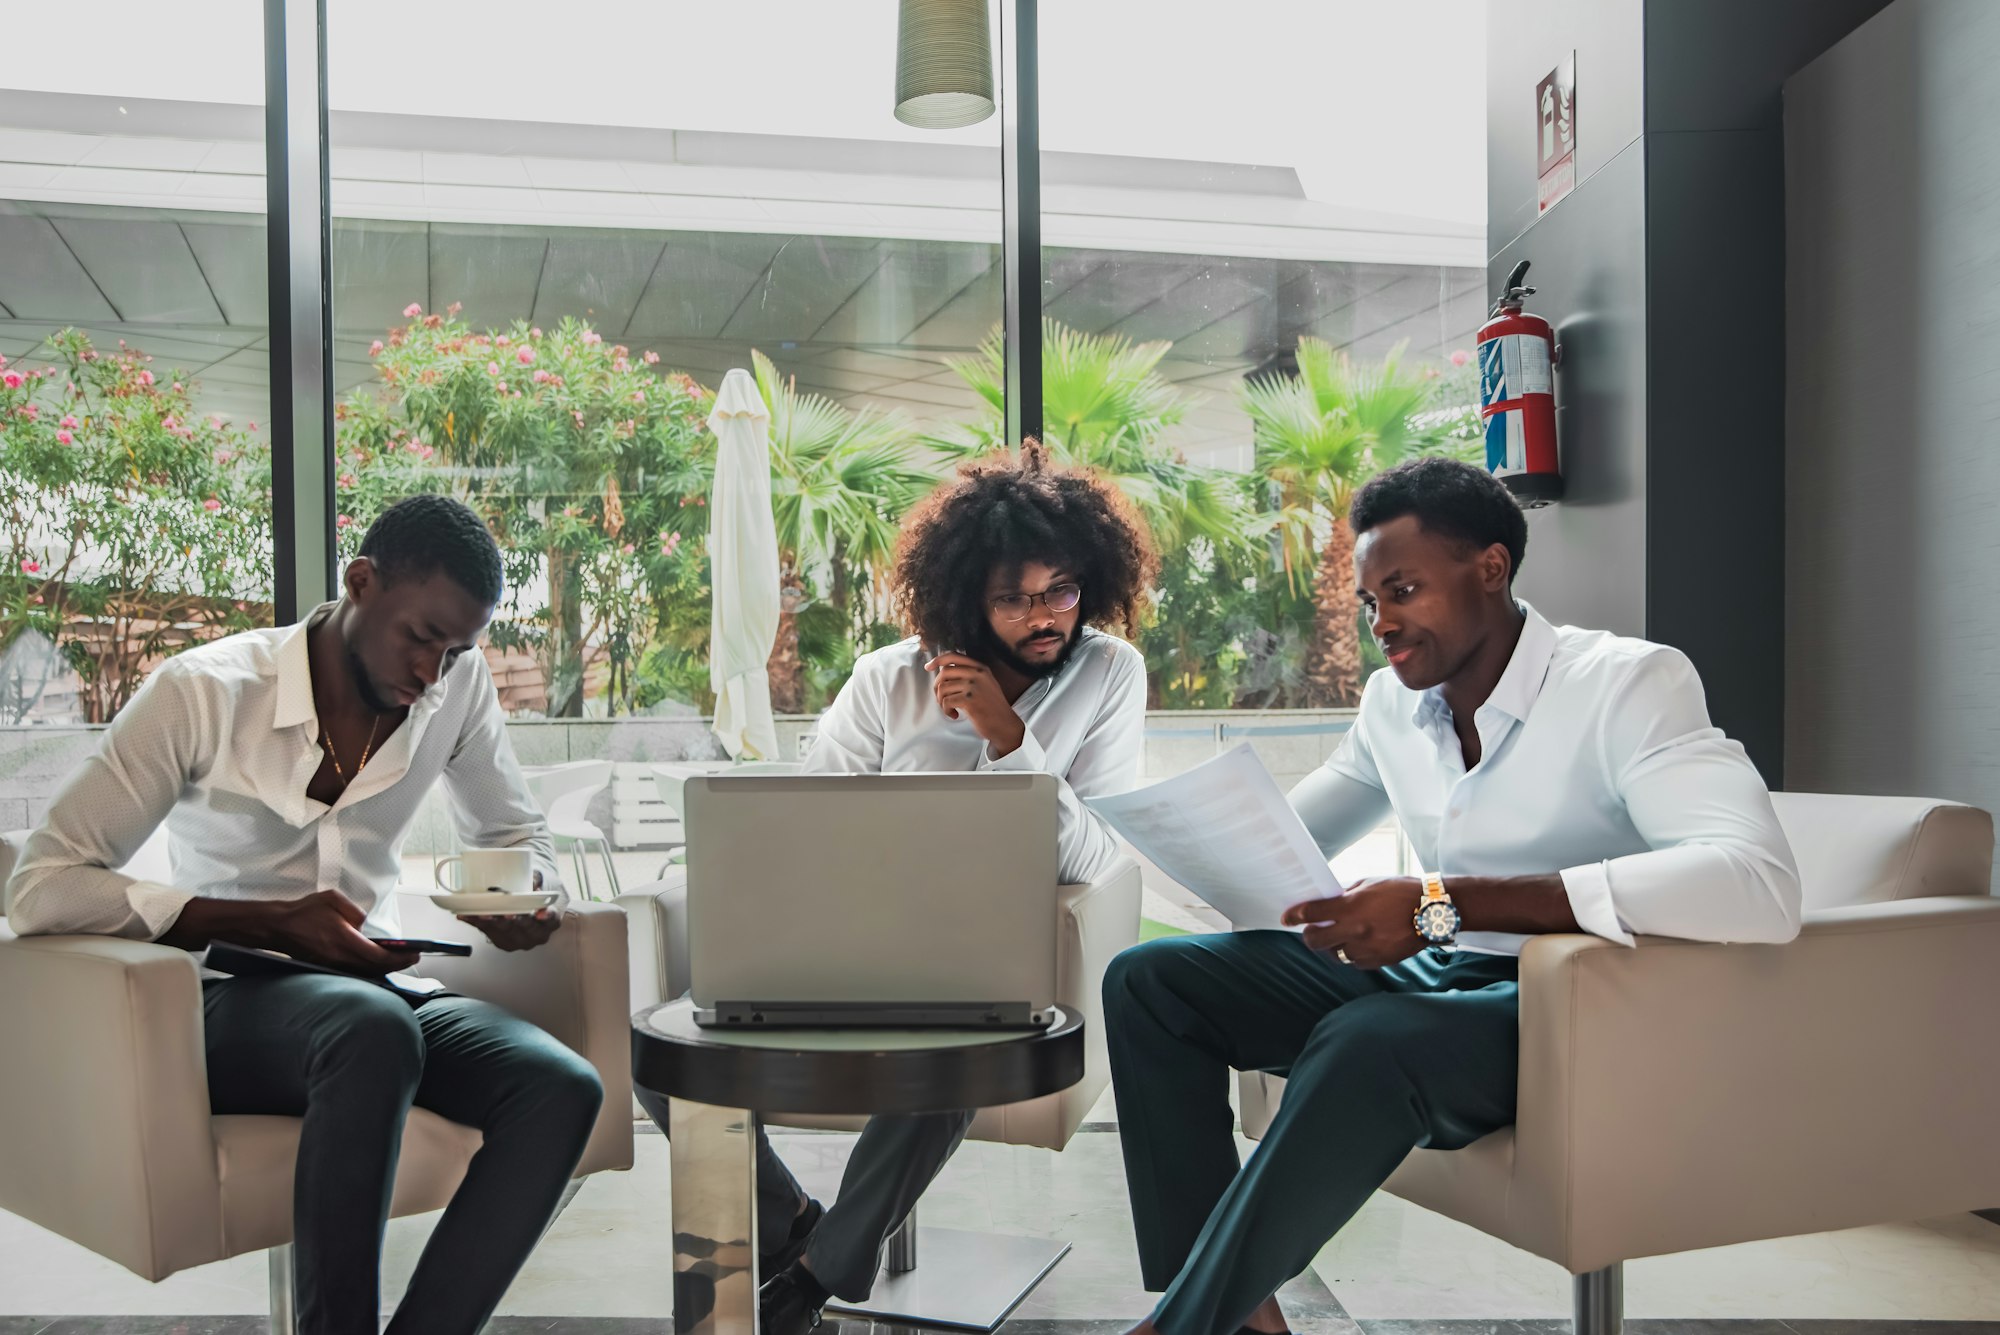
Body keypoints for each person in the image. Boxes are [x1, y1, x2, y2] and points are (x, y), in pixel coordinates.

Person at [1101, 456, 1802, 1335]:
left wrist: (1441, 902)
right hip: (1437, 977)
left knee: (1371, 1037)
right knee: (1151, 982)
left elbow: (1756, 884)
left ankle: (1189, 1327)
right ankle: (1238, 1316)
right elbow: (1287, 832)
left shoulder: (1628, 684)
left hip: (1572, 1007)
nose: (1381, 624)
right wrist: (1187, 837)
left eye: (1403, 590)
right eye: (1370, 603)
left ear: (1492, 569)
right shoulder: (1396, 707)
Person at [5, 495, 604, 1335]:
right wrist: (263, 922)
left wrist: (524, 892)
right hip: (224, 997)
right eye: (421, 637)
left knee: (561, 1086)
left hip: (379, 991)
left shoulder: (455, 689)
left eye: (459, 648)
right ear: (361, 583)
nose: (435, 672)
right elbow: (40, 885)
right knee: (367, 1029)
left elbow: (515, 831)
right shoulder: (204, 692)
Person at [648, 439, 1156, 1335]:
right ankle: (798, 1224)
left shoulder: (1107, 674)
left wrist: (1009, 741)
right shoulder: (888, 679)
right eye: (1014, 597)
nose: (1045, 615)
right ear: (966, 599)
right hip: (846, 940)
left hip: (984, 962)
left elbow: (1095, 854)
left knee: (959, 1043)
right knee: (661, 1049)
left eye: (1062, 588)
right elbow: (808, 829)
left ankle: (810, 1281)